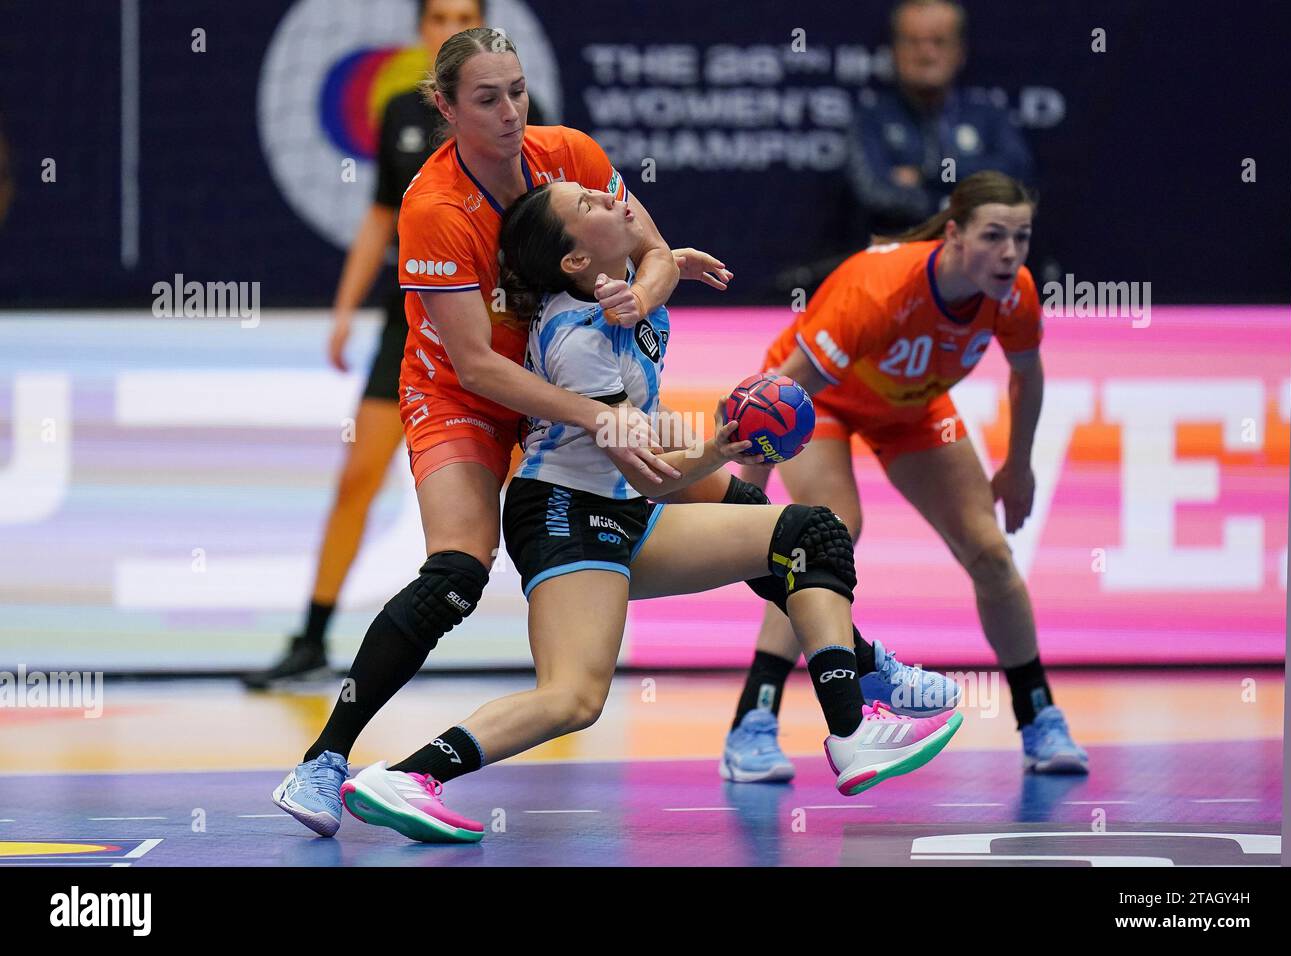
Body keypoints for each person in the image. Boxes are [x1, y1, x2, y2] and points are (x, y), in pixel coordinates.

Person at [333, 180, 963, 843]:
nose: (612, 199)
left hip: (621, 505)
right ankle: (409, 777)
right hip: (566, 514)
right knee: (573, 699)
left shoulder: (629, 290)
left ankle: (853, 723)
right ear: (576, 261)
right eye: (591, 207)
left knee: (809, 535)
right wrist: (720, 446)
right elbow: (649, 469)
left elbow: (655, 267)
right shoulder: (579, 341)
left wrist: (671, 268)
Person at [270, 26, 686, 836]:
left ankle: (857, 679)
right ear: (446, 107)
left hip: (558, 381)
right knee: (459, 570)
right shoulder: (433, 206)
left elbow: (657, 250)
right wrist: (603, 415)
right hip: (464, 393)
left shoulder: (568, 153)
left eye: (518, 92)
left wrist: (647, 293)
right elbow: (478, 366)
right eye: (487, 99)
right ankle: (323, 762)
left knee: (729, 496)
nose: (509, 112)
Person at [721, 170, 1089, 779]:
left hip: (915, 411)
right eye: (993, 236)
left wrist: (1018, 464)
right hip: (820, 404)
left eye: (1021, 238)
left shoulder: (1015, 292)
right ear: (954, 235)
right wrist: (744, 490)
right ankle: (751, 723)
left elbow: (1028, 373)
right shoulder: (879, 289)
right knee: (829, 535)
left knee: (992, 553)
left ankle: (1039, 716)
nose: (1009, 253)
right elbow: (780, 395)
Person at [244, 0, 544, 689]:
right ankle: (312, 641)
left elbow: (547, 231)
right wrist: (344, 311)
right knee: (358, 476)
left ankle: (563, 640)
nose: (448, 26)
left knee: (538, 482)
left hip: (504, 323)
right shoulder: (403, 117)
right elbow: (382, 217)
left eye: (462, 16)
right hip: (414, 320)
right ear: (421, 33)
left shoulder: (518, 111)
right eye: (437, 17)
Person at [846, 0, 1034, 234]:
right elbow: (875, 193)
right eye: (913, 42)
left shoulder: (989, 115)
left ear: (960, 51)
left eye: (939, 41)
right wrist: (955, 208)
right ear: (894, 50)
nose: (926, 54)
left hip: (978, 262)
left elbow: (1014, 176)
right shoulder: (870, 118)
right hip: (899, 256)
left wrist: (927, 174)